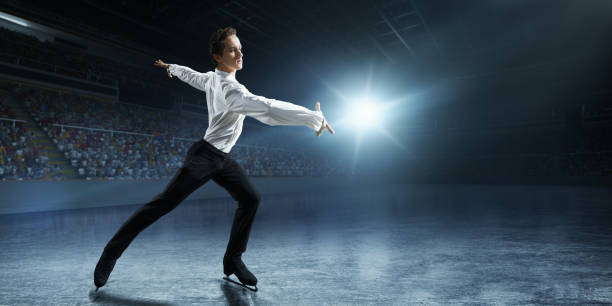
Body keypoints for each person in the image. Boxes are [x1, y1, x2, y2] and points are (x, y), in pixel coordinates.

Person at [93, 26, 334, 291]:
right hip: (205, 157)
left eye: (240, 48)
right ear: (218, 57)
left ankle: (232, 261)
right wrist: (313, 118)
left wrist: (171, 67)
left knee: (250, 198)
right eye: (233, 49)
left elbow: (192, 76)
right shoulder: (231, 91)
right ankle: (111, 253)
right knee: (163, 204)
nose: (240, 53)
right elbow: (267, 108)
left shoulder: (212, 78)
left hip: (222, 159)